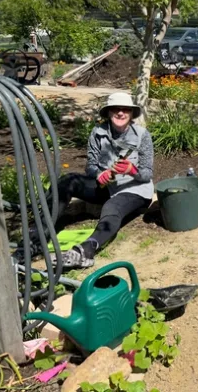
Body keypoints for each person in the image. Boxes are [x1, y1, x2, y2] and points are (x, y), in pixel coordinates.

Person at [55, 92, 154, 269]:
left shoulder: (142, 135)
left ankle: (86, 250)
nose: (121, 113)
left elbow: (146, 174)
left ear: (131, 114)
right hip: (107, 186)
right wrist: (99, 174)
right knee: (68, 181)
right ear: (108, 112)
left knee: (112, 207)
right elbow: (91, 166)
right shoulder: (97, 132)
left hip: (135, 189)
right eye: (116, 109)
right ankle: (42, 230)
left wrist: (132, 170)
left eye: (126, 110)